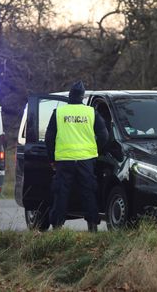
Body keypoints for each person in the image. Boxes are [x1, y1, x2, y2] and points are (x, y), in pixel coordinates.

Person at [45, 80, 109, 232]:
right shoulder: (91, 112)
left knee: (61, 193)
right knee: (88, 193)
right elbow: (104, 135)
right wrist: (96, 151)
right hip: (86, 160)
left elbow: (49, 137)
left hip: (64, 160)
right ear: (82, 97)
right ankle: (92, 227)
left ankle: (57, 227)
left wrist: (51, 158)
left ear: (70, 95)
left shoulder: (59, 112)